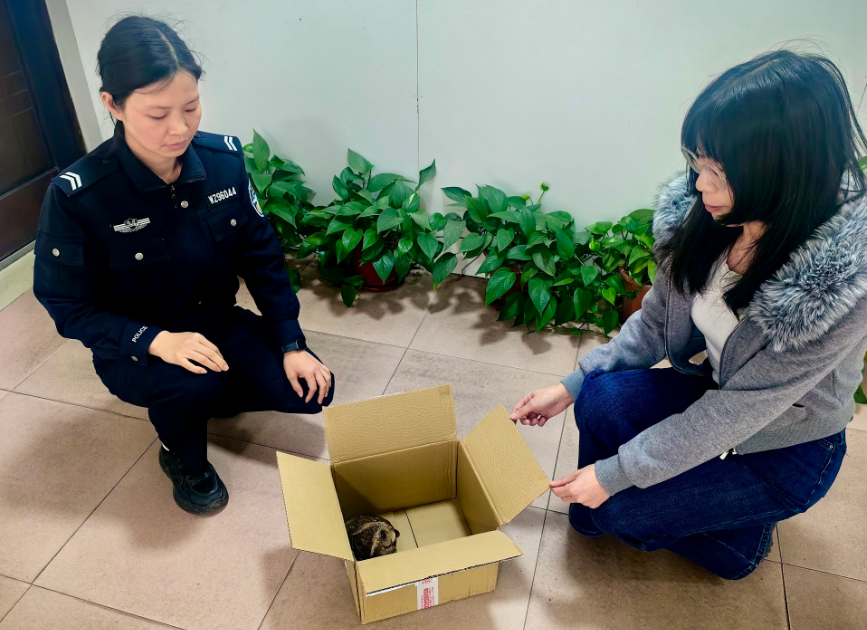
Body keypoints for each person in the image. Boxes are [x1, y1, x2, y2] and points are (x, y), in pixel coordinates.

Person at [511, 50, 867, 580]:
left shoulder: (836, 288)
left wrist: (616, 475)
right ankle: (661, 502)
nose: (701, 185)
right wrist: (569, 386)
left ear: (782, 173)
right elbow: (655, 321)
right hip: (721, 395)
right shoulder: (709, 219)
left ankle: (742, 540)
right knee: (599, 399)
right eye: (699, 163)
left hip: (789, 446)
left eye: (719, 172)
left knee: (620, 511)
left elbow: (737, 412)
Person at [33, 16, 334, 515]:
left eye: (190, 107)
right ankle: (180, 454)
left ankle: (208, 393)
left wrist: (291, 343)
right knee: (191, 383)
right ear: (113, 104)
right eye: (157, 114)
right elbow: (68, 305)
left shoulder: (223, 161)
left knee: (310, 389)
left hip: (215, 322)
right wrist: (156, 341)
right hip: (137, 346)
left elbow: (262, 259)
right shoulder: (79, 197)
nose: (180, 129)